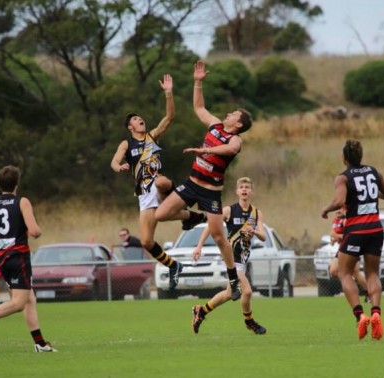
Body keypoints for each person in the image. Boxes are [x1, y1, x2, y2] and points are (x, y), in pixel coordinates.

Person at [155, 60, 254, 301]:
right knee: (160, 215)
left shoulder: (236, 139)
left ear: (238, 124)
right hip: (191, 185)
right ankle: (194, 217)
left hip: (210, 193)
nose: (228, 114)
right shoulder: (215, 124)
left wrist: (205, 152)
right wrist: (198, 82)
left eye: (233, 114)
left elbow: (229, 150)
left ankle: (233, 278)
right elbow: (199, 108)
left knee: (220, 238)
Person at [111, 74, 188, 290]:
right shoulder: (126, 143)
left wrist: (168, 92)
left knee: (161, 183)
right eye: (135, 119)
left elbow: (170, 116)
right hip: (144, 195)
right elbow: (114, 161)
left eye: (139, 117)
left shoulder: (152, 136)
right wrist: (120, 167)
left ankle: (179, 200)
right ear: (130, 127)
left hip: (160, 185)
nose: (139, 119)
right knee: (146, 241)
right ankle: (174, 265)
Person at [0, 165, 56, 352]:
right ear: (17, 184)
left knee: (29, 299)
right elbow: (34, 231)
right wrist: (39, 230)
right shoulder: (22, 202)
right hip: (18, 257)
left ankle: (40, 343)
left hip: (3, 259)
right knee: (19, 303)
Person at [321, 139, 384, 340]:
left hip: (355, 230)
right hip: (375, 229)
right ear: (360, 156)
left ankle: (360, 315)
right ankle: (376, 313)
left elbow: (339, 201)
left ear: (344, 158)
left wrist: (326, 209)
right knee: (372, 273)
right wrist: (370, 196)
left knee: (344, 272)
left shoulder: (343, 178)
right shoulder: (374, 172)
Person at [190, 177, 267, 335]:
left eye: (247, 187)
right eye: (241, 187)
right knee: (247, 292)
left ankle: (201, 311)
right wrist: (199, 246)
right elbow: (210, 227)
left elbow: (263, 236)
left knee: (228, 293)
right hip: (231, 257)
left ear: (251, 191)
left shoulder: (256, 213)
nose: (244, 189)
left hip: (243, 258)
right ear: (237, 191)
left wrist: (255, 232)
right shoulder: (229, 210)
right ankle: (249, 321)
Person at [328, 207, 369, 302]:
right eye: (336, 209)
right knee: (334, 271)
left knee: (355, 272)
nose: (338, 210)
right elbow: (333, 233)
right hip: (342, 249)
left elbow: (350, 236)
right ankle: (354, 287)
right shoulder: (336, 220)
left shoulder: (347, 220)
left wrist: (336, 236)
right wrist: (334, 239)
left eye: (341, 208)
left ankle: (367, 291)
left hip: (351, 248)